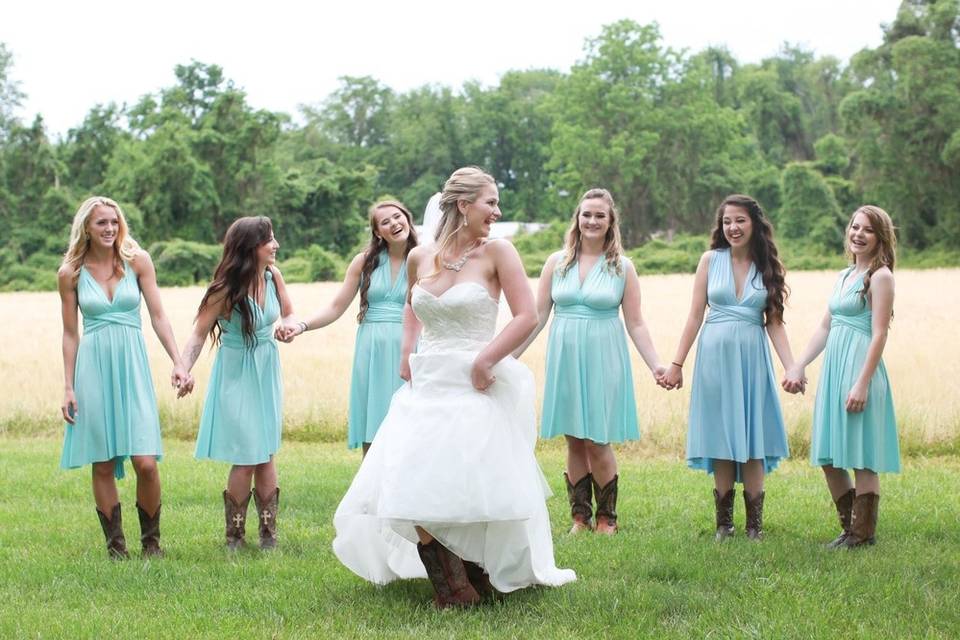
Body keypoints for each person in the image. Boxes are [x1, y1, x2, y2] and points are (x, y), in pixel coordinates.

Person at [332, 167, 576, 608]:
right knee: (413, 477)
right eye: (491, 202)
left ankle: (476, 571)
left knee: (469, 478)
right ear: (464, 205)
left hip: (476, 381)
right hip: (428, 383)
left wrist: (487, 360)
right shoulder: (420, 257)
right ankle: (451, 584)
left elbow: (527, 316)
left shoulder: (498, 252)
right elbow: (412, 306)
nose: (497, 212)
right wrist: (407, 351)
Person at [514, 188, 667, 535]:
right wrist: (509, 356)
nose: (592, 221)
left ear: (611, 221)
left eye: (600, 215)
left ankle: (606, 519)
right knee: (573, 439)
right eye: (587, 214)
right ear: (577, 219)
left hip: (603, 357)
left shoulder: (622, 267)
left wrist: (656, 364)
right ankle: (579, 518)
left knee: (597, 439)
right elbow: (537, 316)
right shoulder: (557, 262)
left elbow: (636, 322)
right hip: (565, 356)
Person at [58, 196, 191, 559]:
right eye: (101, 223)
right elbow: (70, 333)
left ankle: (152, 544)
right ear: (86, 226)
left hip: (132, 367)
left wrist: (179, 361)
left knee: (145, 462)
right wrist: (69, 386)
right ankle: (117, 548)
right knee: (102, 461)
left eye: (114, 222)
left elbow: (159, 316)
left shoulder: (138, 261)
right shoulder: (70, 273)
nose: (110, 229)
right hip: (94, 368)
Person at [660, 194, 796, 541]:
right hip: (714, 359)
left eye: (740, 221)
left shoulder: (768, 267)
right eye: (727, 222)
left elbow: (775, 324)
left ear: (754, 224)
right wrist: (676, 364)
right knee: (720, 434)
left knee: (752, 437)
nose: (733, 228)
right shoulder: (710, 260)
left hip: (751, 359)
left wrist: (792, 366)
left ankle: (754, 526)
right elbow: (694, 315)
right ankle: (724, 524)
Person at [178, 216, 297, 550]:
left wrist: (288, 327)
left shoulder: (273, 276)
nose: (275, 245)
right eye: (268, 240)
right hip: (236, 372)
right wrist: (183, 369)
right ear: (250, 247)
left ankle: (269, 535)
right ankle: (234, 537)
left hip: (267, 367)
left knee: (266, 453)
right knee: (246, 456)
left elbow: (288, 312)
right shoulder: (224, 290)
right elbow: (198, 336)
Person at [784, 206, 899, 548]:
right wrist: (798, 364)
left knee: (861, 455)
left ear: (880, 237)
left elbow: (879, 334)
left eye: (867, 230)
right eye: (854, 227)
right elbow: (826, 325)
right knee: (830, 456)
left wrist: (862, 383)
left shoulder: (881, 277)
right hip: (835, 370)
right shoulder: (844, 275)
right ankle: (850, 528)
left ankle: (863, 534)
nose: (858, 234)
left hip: (860, 370)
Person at [279, 201, 418, 454]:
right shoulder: (365, 261)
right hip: (372, 347)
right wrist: (301, 326)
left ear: (408, 219)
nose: (394, 224)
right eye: (385, 222)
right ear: (377, 232)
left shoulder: (425, 258)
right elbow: (336, 307)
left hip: (410, 348)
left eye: (398, 217)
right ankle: (369, 487)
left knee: (411, 420)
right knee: (372, 415)